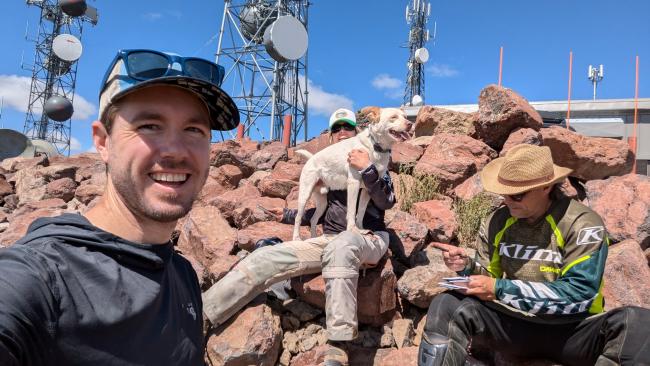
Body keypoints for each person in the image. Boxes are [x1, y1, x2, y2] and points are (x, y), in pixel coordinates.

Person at [0, 49, 239, 365]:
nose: (176, 150)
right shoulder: (39, 278)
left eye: (194, 130)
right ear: (103, 142)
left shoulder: (182, 275)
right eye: (150, 125)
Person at [418, 144, 650, 366]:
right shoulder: (497, 221)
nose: (507, 201)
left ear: (546, 187)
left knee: (639, 324)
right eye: (504, 194)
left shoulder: (582, 223)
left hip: (573, 331)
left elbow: (580, 294)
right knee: (446, 304)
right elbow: (490, 276)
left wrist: (499, 288)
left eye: (517, 195)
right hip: (514, 326)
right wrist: (467, 267)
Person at [202, 108, 396, 366]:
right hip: (329, 240)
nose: (341, 133)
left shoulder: (376, 160)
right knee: (265, 257)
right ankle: (201, 315)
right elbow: (323, 212)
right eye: (335, 129)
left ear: (357, 132)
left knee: (343, 245)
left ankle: (338, 345)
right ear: (329, 137)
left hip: (367, 238)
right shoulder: (334, 168)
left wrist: (368, 169)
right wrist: (286, 215)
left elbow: (386, 201)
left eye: (347, 127)